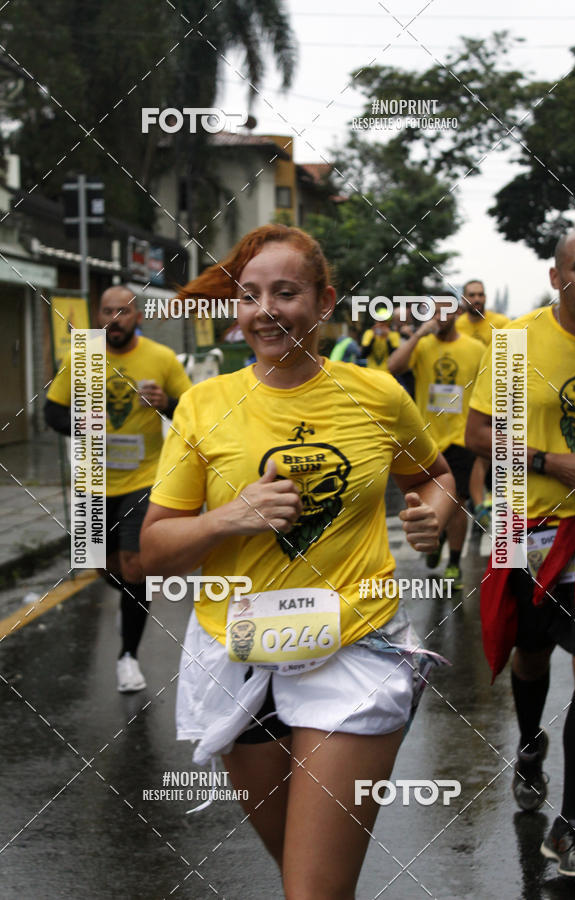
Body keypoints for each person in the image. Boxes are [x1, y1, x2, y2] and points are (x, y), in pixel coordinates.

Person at [140, 224, 456, 898]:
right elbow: (152, 549)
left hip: (352, 646)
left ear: (324, 302)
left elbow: (433, 473)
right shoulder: (205, 405)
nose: (264, 310)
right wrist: (232, 516)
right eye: (248, 295)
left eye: (285, 292)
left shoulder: (376, 394)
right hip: (241, 649)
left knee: (311, 890)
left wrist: (436, 509)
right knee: (300, 871)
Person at [466, 227, 575, 880]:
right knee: (531, 651)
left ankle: (570, 827)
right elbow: (479, 432)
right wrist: (556, 462)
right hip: (529, 529)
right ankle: (527, 747)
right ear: (557, 278)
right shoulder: (518, 342)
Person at [45, 286, 192, 692]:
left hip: (144, 479)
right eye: (107, 311)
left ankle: (128, 655)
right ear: (99, 316)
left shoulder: (161, 358)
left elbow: (192, 412)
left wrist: (166, 404)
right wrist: (83, 424)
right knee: (104, 566)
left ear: (136, 317)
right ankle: (131, 597)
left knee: (135, 567)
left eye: (123, 311)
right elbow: (51, 411)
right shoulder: (82, 355)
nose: (115, 318)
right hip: (93, 479)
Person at [388, 299, 484, 589]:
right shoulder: (423, 345)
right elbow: (394, 366)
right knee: (433, 499)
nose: (440, 317)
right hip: (428, 438)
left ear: (457, 313)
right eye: (433, 311)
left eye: (445, 310)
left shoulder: (476, 349)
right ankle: (437, 539)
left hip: (461, 437)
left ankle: (454, 563)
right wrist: (418, 334)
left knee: (458, 503)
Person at [457, 281, 510, 531]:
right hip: (466, 401)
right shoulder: (457, 326)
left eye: (480, 295)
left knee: (491, 453)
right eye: (472, 295)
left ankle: (486, 506)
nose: (477, 299)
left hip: (498, 396)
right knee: (475, 455)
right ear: (464, 299)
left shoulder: (502, 323)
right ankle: (480, 505)